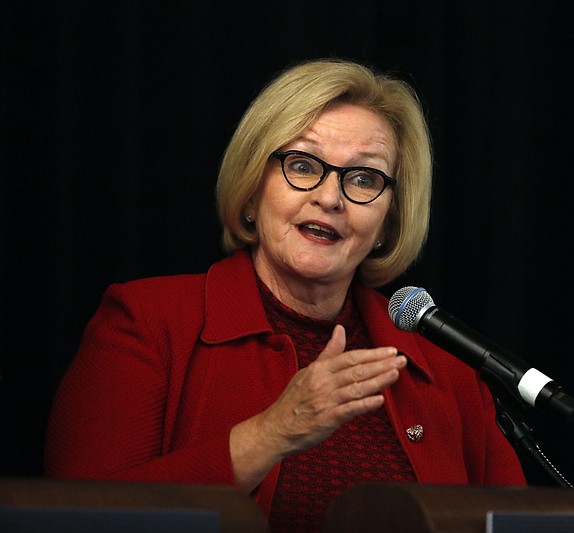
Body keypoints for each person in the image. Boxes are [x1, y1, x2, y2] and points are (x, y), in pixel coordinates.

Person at [44, 58, 526, 532]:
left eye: (363, 178)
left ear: (387, 222)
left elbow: (515, 523)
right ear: (253, 191)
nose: (331, 198)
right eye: (302, 164)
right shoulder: (147, 322)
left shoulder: (445, 365)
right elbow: (79, 516)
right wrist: (274, 432)